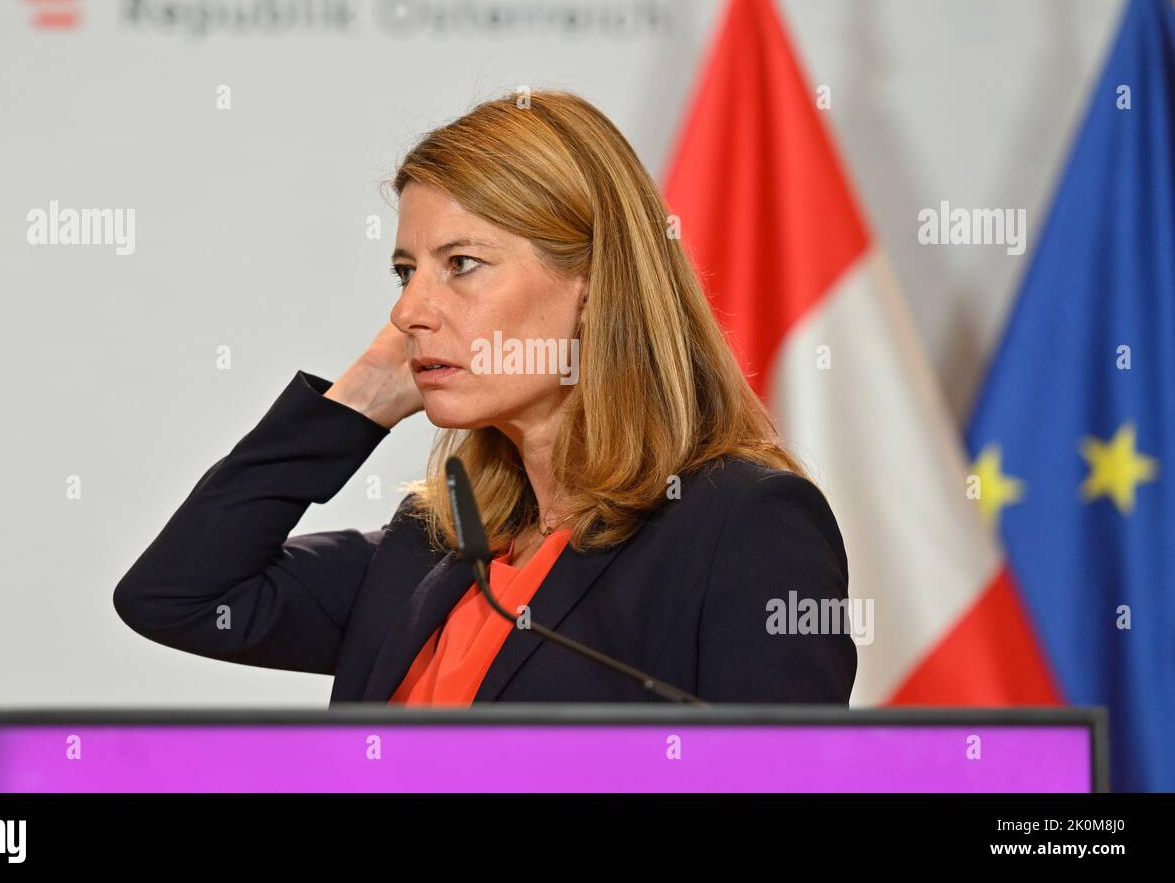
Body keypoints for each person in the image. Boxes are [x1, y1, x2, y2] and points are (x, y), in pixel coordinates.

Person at [113, 89, 857, 705]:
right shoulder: (434, 545)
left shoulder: (742, 525)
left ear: (594, 287)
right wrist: (360, 401)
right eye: (407, 271)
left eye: (461, 263)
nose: (409, 310)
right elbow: (175, 594)